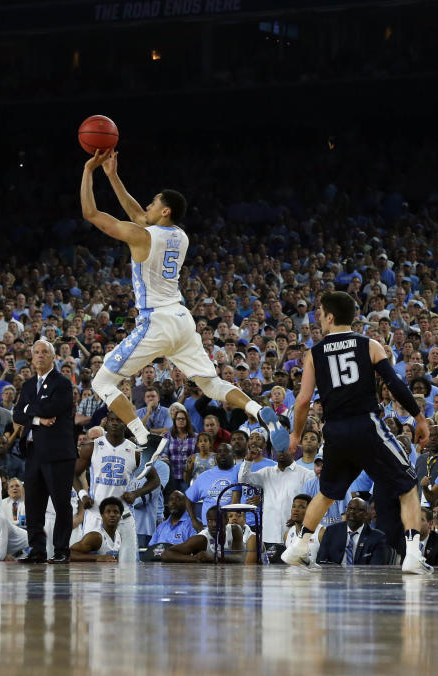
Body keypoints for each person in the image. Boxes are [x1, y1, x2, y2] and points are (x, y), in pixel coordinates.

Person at [80, 149, 286, 464]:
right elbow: (138, 216)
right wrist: (112, 175)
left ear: (165, 211)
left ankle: (143, 437)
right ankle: (258, 410)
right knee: (212, 384)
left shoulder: (142, 237)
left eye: (153, 202)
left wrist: (88, 171)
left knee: (101, 382)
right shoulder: (180, 236)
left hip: (156, 321)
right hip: (181, 319)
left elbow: (92, 214)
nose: (147, 205)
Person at [281, 291, 432, 574]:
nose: (317, 319)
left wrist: (295, 435)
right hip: (367, 425)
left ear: (331, 316)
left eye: (320, 313)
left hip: (335, 431)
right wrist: (419, 417)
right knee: (409, 485)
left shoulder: (314, 353)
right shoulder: (370, 344)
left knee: (326, 493)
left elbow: (302, 402)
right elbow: (395, 384)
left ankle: (299, 548)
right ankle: (413, 554)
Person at [12, 338, 77, 564]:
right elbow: (17, 414)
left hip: (58, 453)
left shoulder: (62, 383)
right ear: (31, 357)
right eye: (36, 352)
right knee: (33, 505)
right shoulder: (29, 385)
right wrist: (38, 419)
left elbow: (54, 407)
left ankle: (61, 550)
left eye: (44, 352)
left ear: (52, 357)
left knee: (61, 504)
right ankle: (37, 550)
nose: (39, 355)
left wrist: (31, 410)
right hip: (33, 452)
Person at [76, 415, 158, 562]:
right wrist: (83, 495)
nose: (114, 423)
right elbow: (73, 475)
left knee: (129, 566)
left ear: (125, 424)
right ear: (106, 422)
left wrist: (136, 493)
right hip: (96, 513)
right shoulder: (92, 447)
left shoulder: (135, 451)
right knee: (90, 563)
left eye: (119, 420)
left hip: (124, 515)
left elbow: (155, 480)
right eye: (111, 419)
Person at [238, 426, 314, 547]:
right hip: (269, 535)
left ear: (293, 450)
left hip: (295, 534)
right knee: (269, 566)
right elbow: (243, 480)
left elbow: (313, 504)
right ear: (273, 451)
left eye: (285, 449)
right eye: (277, 449)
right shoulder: (266, 473)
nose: (281, 452)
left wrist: (301, 518)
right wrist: (248, 460)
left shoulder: (306, 474)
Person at [315, 498, 392, 566]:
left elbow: (376, 568)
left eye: (358, 510)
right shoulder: (331, 531)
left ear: (366, 515)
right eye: (350, 508)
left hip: (363, 579)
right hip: (334, 579)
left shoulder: (377, 537)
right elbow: (321, 561)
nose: (352, 512)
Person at [69, 496, 127, 562]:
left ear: (120, 516)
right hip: (92, 571)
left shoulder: (120, 536)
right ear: (102, 515)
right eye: (108, 512)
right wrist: (97, 557)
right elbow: (68, 554)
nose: (112, 515)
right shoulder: (96, 537)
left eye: (116, 512)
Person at [283, 494, 324, 563]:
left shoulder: (321, 533)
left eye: (301, 507)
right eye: (294, 506)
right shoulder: (287, 534)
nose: (296, 510)